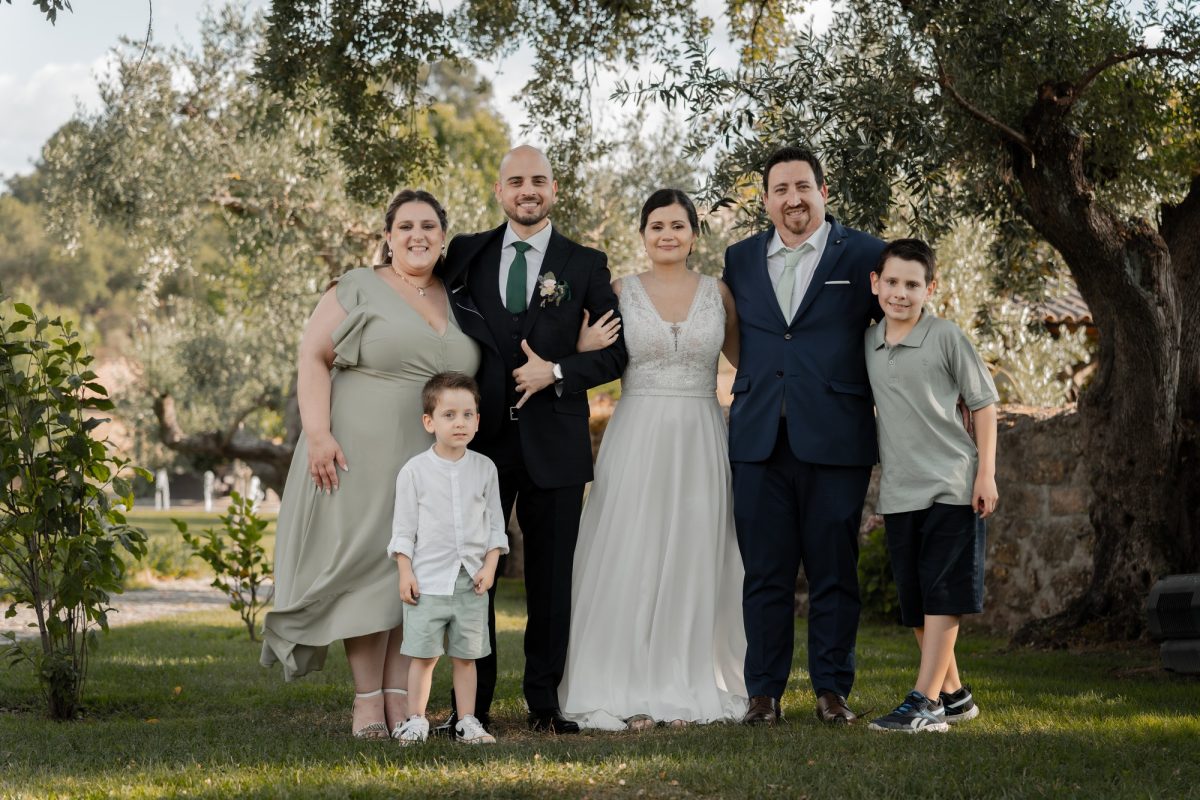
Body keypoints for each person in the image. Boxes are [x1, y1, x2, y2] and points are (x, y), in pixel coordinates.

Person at [260, 190, 481, 740]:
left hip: (431, 459)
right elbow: (313, 355)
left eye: (428, 226)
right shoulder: (356, 285)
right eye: (405, 226)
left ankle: (399, 696)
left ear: (443, 236)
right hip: (359, 450)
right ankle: (366, 700)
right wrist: (317, 433)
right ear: (388, 235)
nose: (417, 236)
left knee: (410, 567)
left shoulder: (459, 297)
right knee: (366, 566)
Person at [439, 145, 627, 733]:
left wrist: (560, 370)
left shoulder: (585, 264)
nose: (528, 190)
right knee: (474, 575)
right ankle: (473, 705)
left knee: (551, 579)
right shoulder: (466, 253)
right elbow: (418, 291)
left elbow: (618, 352)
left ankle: (545, 703)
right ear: (499, 190)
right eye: (516, 181)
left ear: (553, 189)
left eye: (538, 180)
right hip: (479, 443)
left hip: (557, 443)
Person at [558, 189, 748, 729]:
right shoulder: (620, 291)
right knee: (632, 546)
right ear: (642, 235)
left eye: (678, 225)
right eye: (657, 226)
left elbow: (748, 360)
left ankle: (685, 676)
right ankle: (627, 680)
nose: (667, 235)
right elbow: (588, 356)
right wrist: (580, 344)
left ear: (694, 234)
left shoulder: (719, 294)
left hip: (701, 436)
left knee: (696, 548)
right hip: (637, 433)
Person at [722, 146, 885, 726]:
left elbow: (900, 324)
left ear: (822, 191)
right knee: (764, 573)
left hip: (836, 438)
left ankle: (832, 691)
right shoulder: (740, 258)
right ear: (766, 200)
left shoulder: (864, 253)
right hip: (757, 438)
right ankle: (763, 694)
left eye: (802, 187)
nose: (793, 199)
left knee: (833, 572)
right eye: (780, 190)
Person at [863, 239, 998, 733]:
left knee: (942, 595)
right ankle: (956, 696)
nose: (900, 293)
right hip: (901, 490)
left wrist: (985, 473)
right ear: (875, 283)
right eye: (892, 282)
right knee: (918, 602)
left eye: (912, 284)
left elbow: (983, 403)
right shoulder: (868, 342)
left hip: (952, 483)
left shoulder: (945, 336)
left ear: (930, 289)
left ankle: (926, 702)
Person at [388, 373, 509, 745]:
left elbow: (495, 525)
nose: (460, 423)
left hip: (471, 582)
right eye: (449, 415)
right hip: (428, 581)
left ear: (478, 420)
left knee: (466, 657)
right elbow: (404, 530)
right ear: (429, 422)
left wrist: (490, 566)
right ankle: (416, 720)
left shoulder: (485, 469)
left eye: (468, 415)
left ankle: (467, 721)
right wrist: (405, 572)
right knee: (423, 657)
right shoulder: (414, 472)